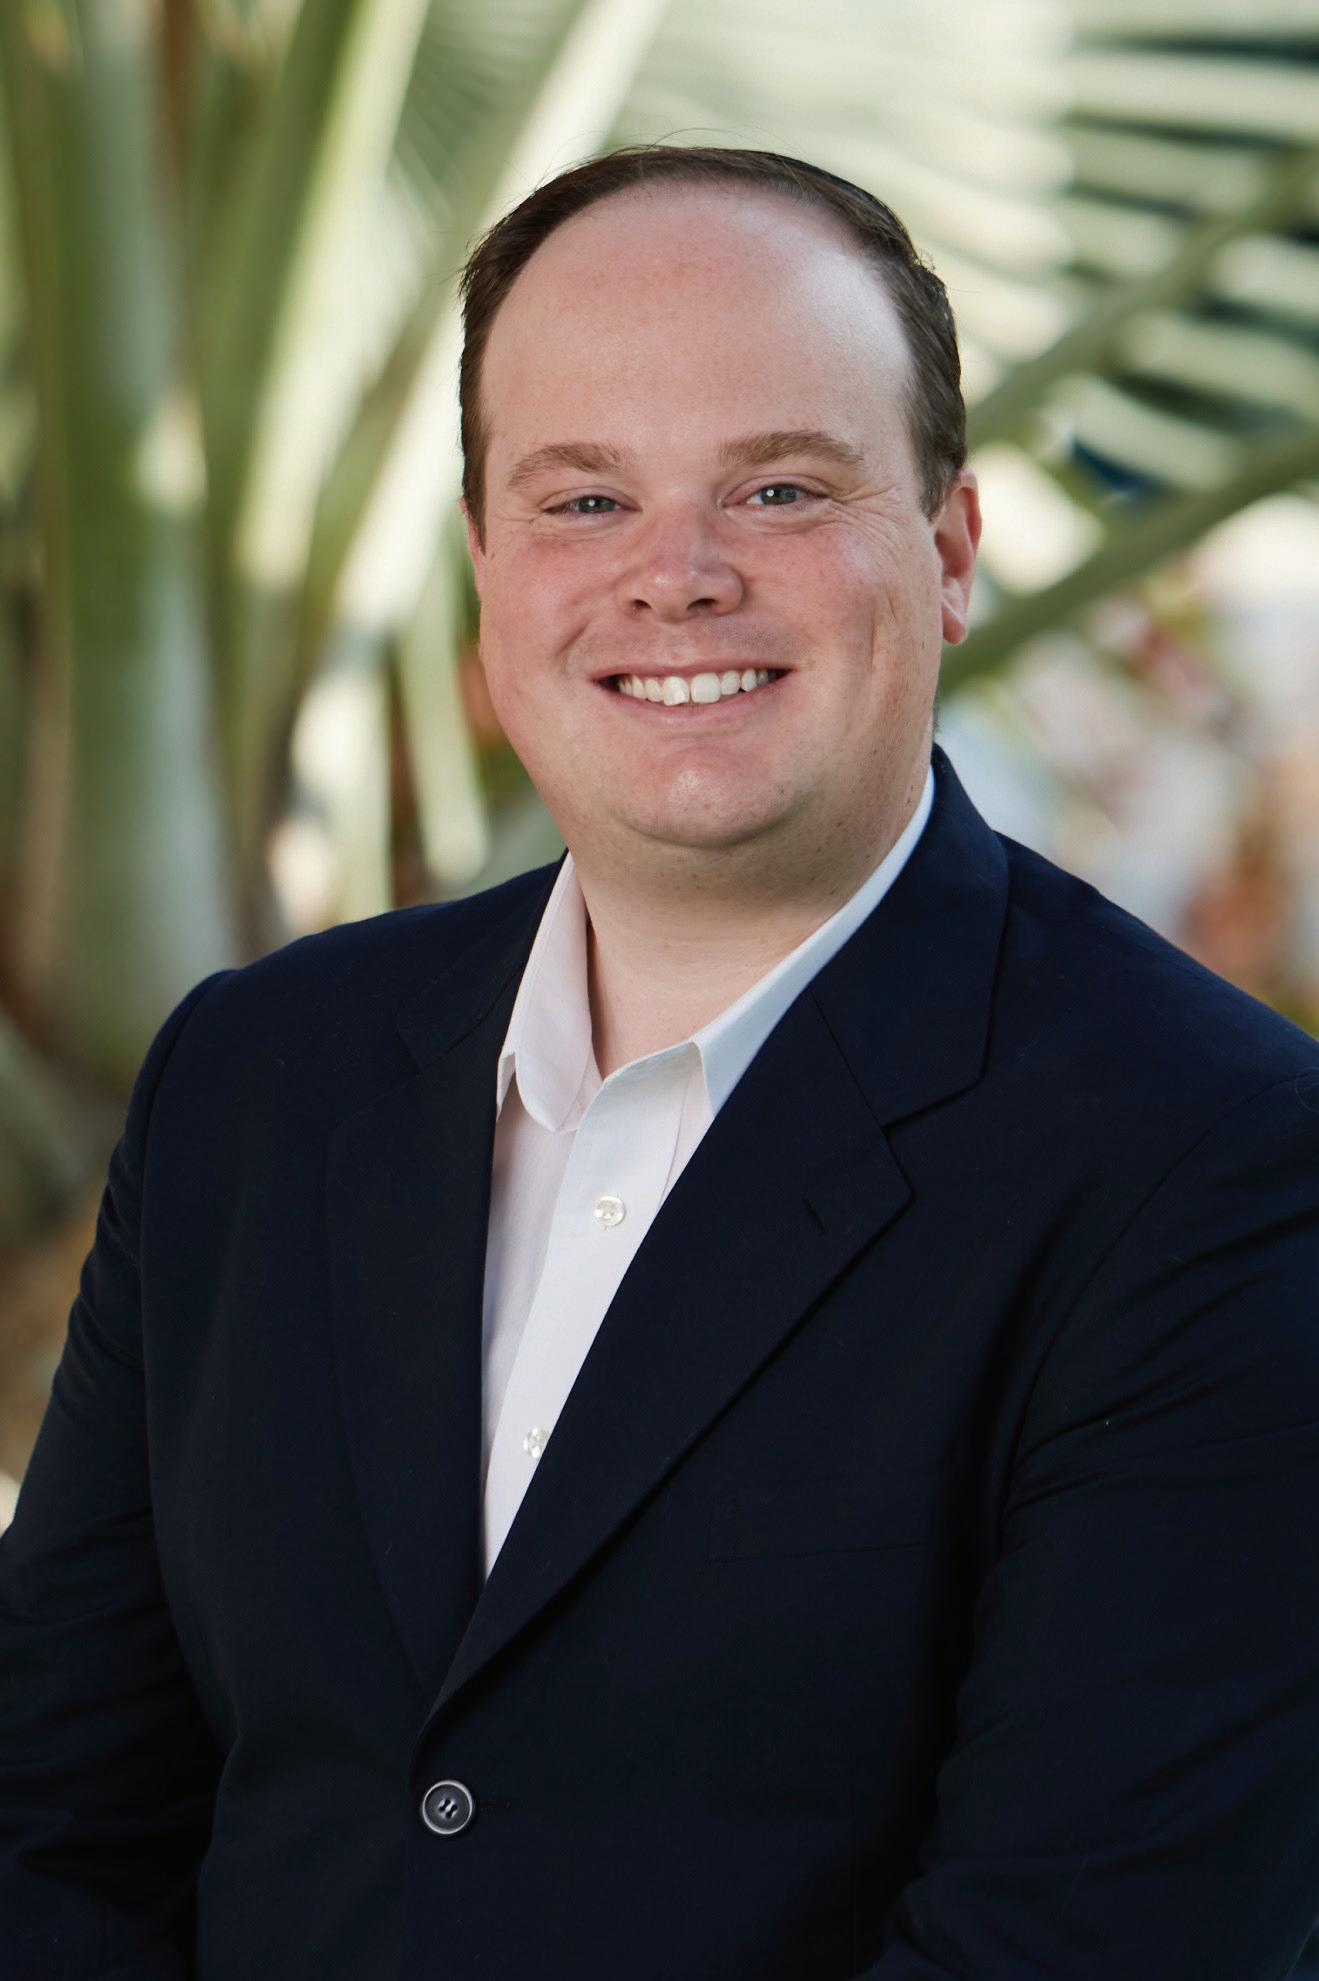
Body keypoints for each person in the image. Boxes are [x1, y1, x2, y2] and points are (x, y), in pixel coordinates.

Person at [2, 144, 1317, 1981]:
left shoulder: (1214, 1162)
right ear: (487, 570)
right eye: (584, 499)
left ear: (948, 551)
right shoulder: (254, 1079)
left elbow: (1082, 1943)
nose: (674, 577)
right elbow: (50, 1821)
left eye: (779, 488)